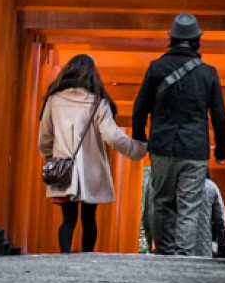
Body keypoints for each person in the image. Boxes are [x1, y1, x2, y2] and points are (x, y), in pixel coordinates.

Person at [131, 13, 225, 257]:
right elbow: (219, 116)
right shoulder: (208, 73)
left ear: (172, 40)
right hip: (195, 150)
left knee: (163, 202)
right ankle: (184, 257)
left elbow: (140, 107)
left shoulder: (157, 68)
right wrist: (221, 151)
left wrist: (140, 137)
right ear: (197, 41)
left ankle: (165, 252)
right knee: (189, 208)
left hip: (163, 146)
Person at [37, 54, 147, 254]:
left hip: (64, 170)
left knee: (68, 219)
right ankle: (87, 256)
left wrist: (52, 160)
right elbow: (112, 137)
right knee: (89, 219)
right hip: (91, 171)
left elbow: (44, 138)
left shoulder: (53, 100)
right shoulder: (98, 103)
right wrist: (137, 150)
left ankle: (64, 254)